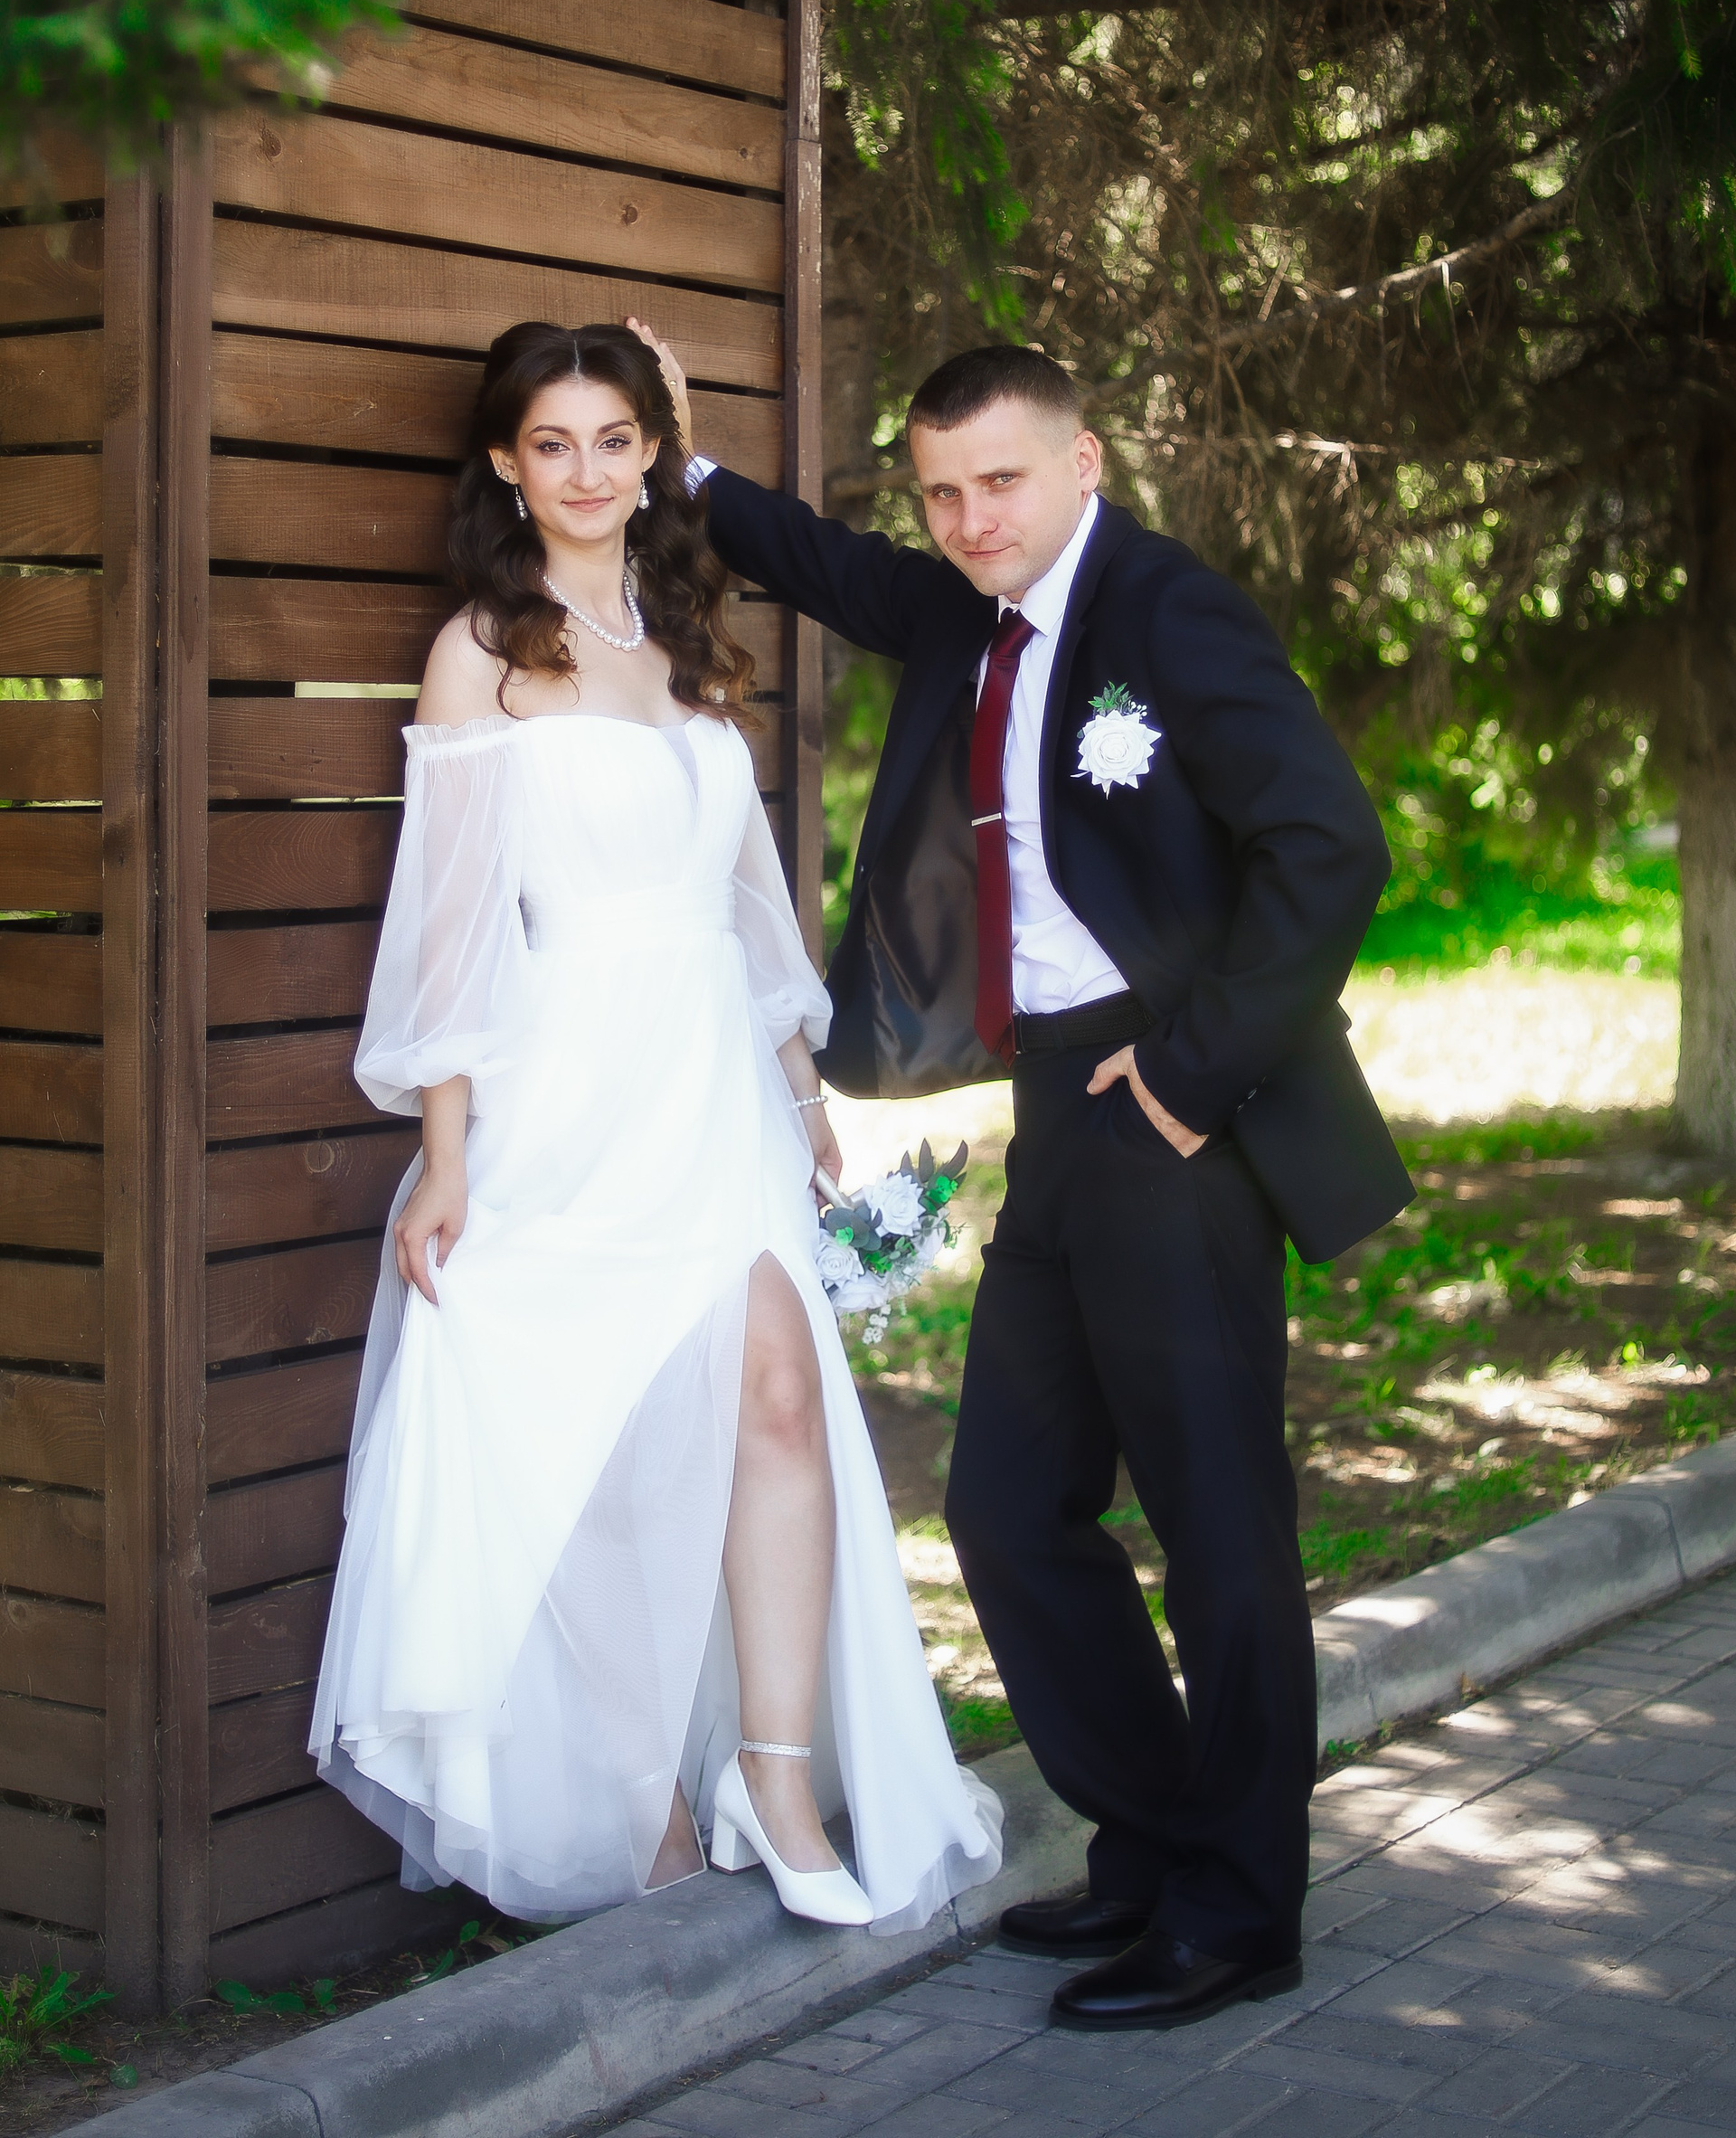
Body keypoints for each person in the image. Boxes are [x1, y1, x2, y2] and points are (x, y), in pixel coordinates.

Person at [632, 323, 1412, 2029]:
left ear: (1083, 465)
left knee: (1217, 1522)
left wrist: (1193, 1076)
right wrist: (668, 461)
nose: (972, 518)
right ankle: (1152, 1842)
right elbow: (822, 564)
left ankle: (1242, 1909)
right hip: (1060, 1108)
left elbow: (1331, 846)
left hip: (1177, 1103)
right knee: (1004, 1502)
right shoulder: (968, 614)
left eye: (1001, 481)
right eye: (942, 493)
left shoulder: (1170, 613)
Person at [308, 321, 1001, 1934]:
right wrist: (448, 1155)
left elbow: (742, 893)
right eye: (552, 445)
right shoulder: (482, 652)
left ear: (651, 455)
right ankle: (644, 1804)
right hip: (566, 1091)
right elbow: (452, 928)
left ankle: (777, 1779)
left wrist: (799, 1085)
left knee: (777, 1399)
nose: (587, 473)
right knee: (599, 1443)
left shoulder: (687, 636)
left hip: (714, 1087)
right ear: (507, 465)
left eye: (615, 440)